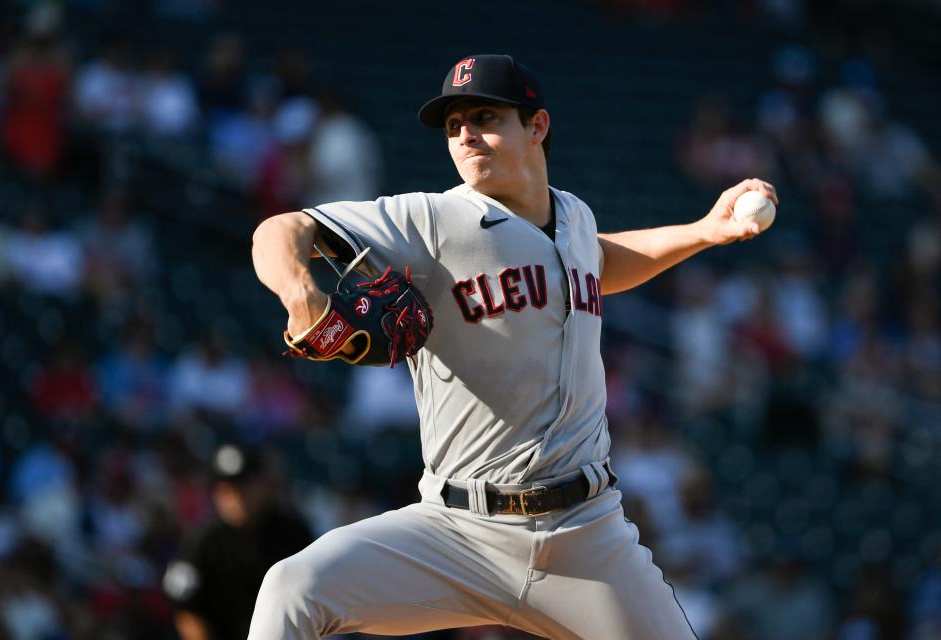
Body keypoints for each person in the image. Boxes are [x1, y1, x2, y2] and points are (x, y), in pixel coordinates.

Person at [248, 54, 777, 639]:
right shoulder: (433, 220)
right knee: (292, 589)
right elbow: (279, 230)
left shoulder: (574, 217)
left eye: (484, 116)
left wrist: (705, 231)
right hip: (456, 533)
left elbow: (598, 261)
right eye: (453, 125)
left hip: (586, 536)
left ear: (537, 127)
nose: (466, 134)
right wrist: (303, 298)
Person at [163, 444, 313, 640]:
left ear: (262, 485)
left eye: (243, 487)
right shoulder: (202, 543)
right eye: (227, 490)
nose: (236, 497)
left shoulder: (293, 533)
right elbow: (186, 609)